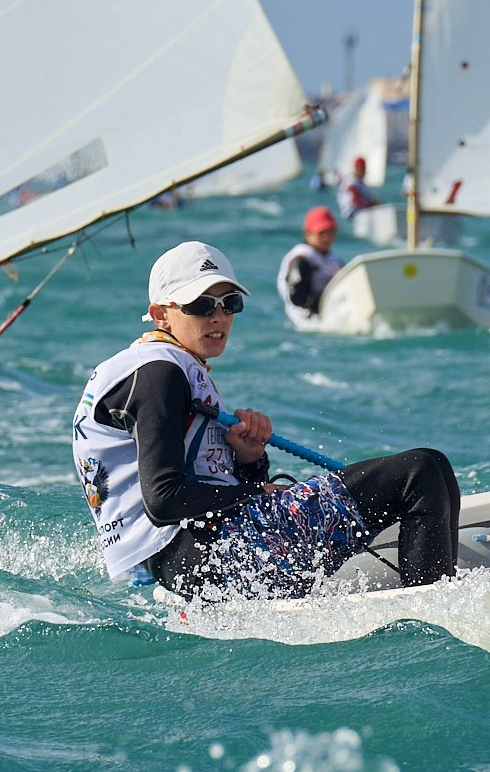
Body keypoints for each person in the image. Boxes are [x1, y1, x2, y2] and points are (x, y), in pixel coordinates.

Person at [72, 241, 459, 600]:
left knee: (434, 469)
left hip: (206, 557)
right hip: (207, 562)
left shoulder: (160, 367)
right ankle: (431, 614)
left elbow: (207, 489)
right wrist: (256, 493)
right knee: (420, 471)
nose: (218, 316)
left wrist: (248, 458)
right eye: (201, 305)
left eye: (229, 303)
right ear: (161, 314)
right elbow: (165, 501)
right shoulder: (159, 373)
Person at [277, 207, 345, 330]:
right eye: (322, 233)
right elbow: (297, 296)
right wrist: (325, 305)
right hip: (310, 321)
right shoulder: (301, 258)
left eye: (330, 232)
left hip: (334, 313)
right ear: (307, 233)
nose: (327, 238)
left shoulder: (332, 259)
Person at [336, 155, 380, 221]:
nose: (362, 170)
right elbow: (355, 199)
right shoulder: (351, 181)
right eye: (359, 168)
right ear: (355, 168)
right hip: (353, 215)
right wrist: (368, 207)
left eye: (363, 168)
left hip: (363, 214)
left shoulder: (362, 183)